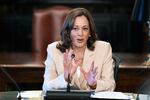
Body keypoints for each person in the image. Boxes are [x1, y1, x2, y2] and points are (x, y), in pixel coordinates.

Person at [42, 7, 115, 92]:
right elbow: (46, 87)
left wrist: (94, 84)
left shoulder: (104, 49)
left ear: (90, 32)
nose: (80, 34)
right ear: (68, 32)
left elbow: (111, 85)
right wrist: (65, 78)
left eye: (85, 28)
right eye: (75, 28)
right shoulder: (53, 49)